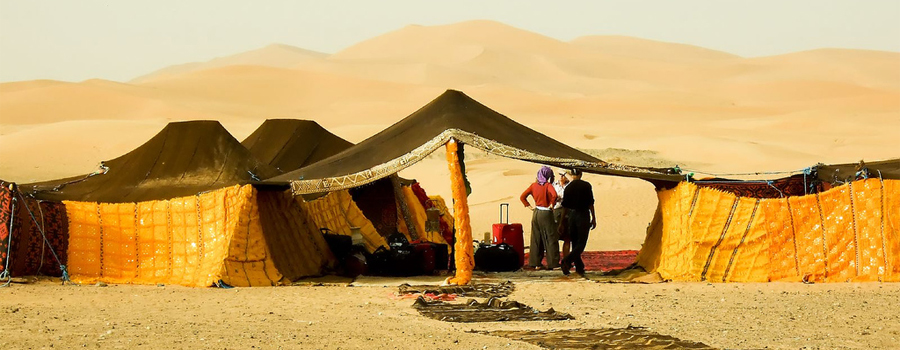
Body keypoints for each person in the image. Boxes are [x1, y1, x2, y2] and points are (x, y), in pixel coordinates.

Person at [557, 168, 596, 276]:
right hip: (582, 214)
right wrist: (594, 217)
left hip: (571, 216)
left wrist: (562, 222)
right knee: (581, 243)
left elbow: (565, 206)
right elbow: (590, 203)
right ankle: (567, 260)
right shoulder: (586, 186)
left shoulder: (568, 187)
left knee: (574, 242)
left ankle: (579, 267)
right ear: (581, 174)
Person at [520, 166, 559, 270]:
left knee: (536, 238)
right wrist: (552, 204)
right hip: (546, 213)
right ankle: (553, 263)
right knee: (550, 238)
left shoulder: (533, 186)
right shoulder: (547, 185)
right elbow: (554, 195)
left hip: (536, 212)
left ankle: (535, 262)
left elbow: (522, 197)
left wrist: (529, 207)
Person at [552, 169, 570, 263]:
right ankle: (555, 260)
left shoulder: (570, 186)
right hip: (556, 211)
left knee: (567, 238)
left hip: (567, 212)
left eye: (564, 175)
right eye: (560, 175)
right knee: (555, 237)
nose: (562, 177)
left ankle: (566, 259)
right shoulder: (554, 185)